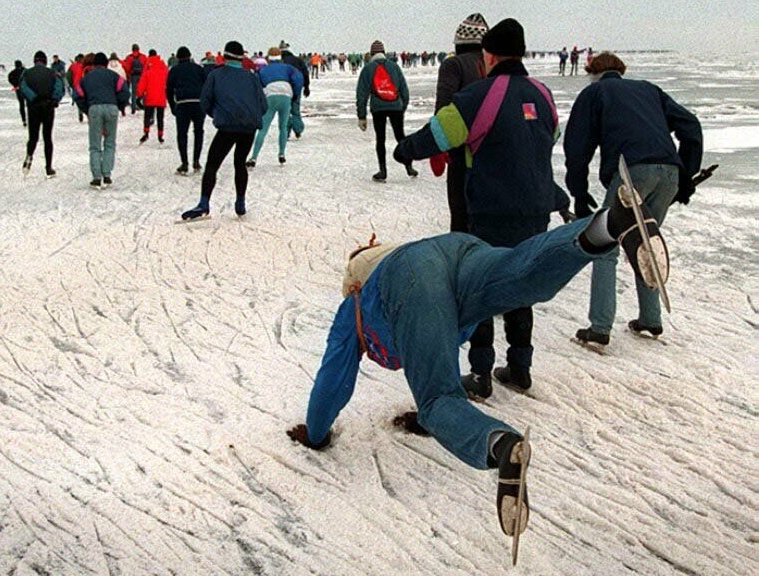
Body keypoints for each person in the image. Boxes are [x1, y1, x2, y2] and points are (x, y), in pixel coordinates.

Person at [287, 182, 670, 544]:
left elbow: (333, 380)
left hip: (414, 277)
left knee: (438, 401)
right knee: (524, 274)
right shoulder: (404, 274)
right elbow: (438, 340)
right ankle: (607, 225)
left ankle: (500, 446)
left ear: (356, 280)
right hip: (457, 249)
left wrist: (316, 433)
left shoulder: (356, 302)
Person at [393, 19, 563, 398]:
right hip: (536, 209)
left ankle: (481, 373)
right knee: (522, 281)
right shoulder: (544, 94)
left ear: (488, 55)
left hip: (488, 210)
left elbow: (437, 135)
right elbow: (550, 136)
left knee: (480, 285)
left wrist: (403, 149)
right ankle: (520, 367)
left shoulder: (477, 98)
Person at [565, 52, 703, 347]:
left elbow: (577, 146)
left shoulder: (594, 93)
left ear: (592, 71)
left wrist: (578, 192)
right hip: (668, 172)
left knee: (604, 246)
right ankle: (650, 319)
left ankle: (600, 327)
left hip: (631, 173)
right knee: (646, 240)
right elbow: (690, 126)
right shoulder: (649, 89)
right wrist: (687, 175)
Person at [180, 41, 266, 221]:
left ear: (225, 56)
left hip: (227, 126)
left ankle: (204, 203)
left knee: (212, 164)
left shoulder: (215, 75)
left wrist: (217, 114)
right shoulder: (251, 77)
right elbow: (263, 106)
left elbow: (205, 102)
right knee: (240, 163)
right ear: (242, 58)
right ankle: (240, 203)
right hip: (249, 127)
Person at [435, 13, 490, 231]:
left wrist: (438, 147)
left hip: (462, 153)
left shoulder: (453, 65)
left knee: (461, 217)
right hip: (495, 154)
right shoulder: (494, 66)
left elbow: (444, 111)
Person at [356, 40, 416, 183]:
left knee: (380, 139)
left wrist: (362, 116)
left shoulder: (367, 69)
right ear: (384, 52)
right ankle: (409, 166)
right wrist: (402, 106)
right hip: (396, 107)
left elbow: (361, 94)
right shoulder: (394, 67)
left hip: (378, 108)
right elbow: (404, 90)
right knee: (400, 136)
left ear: (371, 54)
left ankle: (382, 171)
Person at [76, 52, 131, 188]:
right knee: (110, 142)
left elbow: (77, 93)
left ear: (94, 64)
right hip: (111, 108)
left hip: (94, 108)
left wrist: (86, 109)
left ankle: (96, 177)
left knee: (95, 145)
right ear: (106, 64)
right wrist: (119, 105)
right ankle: (106, 174)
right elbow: (125, 91)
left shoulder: (87, 77)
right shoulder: (114, 76)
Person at [247, 47, 303, 168]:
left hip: (270, 96)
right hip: (286, 96)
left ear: (269, 58)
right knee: (283, 127)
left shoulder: (264, 70)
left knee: (263, 129)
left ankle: (254, 157)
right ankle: (281, 154)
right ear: (280, 57)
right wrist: (295, 94)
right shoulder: (289, 68)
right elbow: (298, 79)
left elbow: (257, 83)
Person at [20, 51, 64, 178]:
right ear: (45, 61)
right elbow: (59, 87)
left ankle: (29, 157)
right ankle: (48, 167)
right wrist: (55, 100)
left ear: (34, 61)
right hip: (48, 107)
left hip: (33, 108)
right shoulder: (52, 73)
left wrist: (33, 98)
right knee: (47, 137)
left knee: (33, 137)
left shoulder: (27, 73)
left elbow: (23, 87)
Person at [167, 46, 209, 174]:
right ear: (190, 56)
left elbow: (169, 90)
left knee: (182, 134)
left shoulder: (174, 70)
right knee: (198, 132)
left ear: (178, 58)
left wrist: (172, 106)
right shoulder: (198, 69)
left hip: (182, 103)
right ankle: (196, 161)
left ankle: (184, 163)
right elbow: (207, 86)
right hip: (198, 103)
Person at [137, 49, 168, 144]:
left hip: (150, 96)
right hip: (161, 96)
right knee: (160, 117)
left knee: (147, 116)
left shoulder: (148, 67)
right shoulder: (163, 66)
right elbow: (168, 79)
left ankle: (146, 133)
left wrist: (139, 94)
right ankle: (160, 135)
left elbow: (143, 81)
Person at [280, 42, 310, 138]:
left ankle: (286, 131)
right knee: (295, 108)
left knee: (285, 110)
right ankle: (298, 129)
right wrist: (306, 86)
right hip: (297, 87)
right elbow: (305, 73)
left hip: (284, 88)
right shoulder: (298, 60)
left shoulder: (280, 62)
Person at [123, 44, 148, 114]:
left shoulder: (129, 57)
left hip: (133, 76)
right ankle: (144, 105)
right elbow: (146, 66)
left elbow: (127, 67)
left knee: (134, 92)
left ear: (132, 49)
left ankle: (133, 108)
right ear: (138, 49)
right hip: (141, 76)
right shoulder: (143, 57)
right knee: (143, 91)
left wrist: (129, 74)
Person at [7, 60, 27, 126]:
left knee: (21, 104)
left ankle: (24, 119)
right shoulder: (25, 71)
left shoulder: (13, 72)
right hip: (26, 89)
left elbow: (9, 78)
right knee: (29, 104)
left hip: (18, 89)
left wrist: (15, 85)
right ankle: (28, 119)